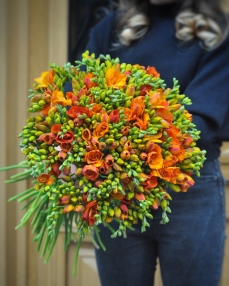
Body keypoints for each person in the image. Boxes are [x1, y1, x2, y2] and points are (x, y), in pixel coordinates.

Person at [85, 0, 229, 285]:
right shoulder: (110, 28)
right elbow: (78, 93)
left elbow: (198, 121)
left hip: (189, 188)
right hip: (116, 189)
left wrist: (113, 142)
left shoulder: (218, 34)